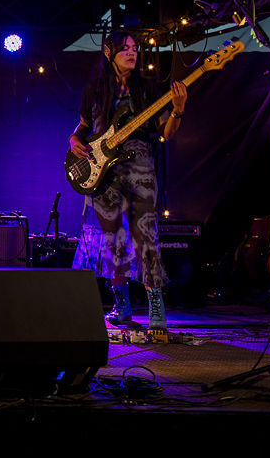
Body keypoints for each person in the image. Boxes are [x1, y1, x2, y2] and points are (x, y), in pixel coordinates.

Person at [68, 31, 187, 332]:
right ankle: (121, 305)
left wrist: (177, 109)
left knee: (145, 236)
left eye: (135, 49)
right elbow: (83, 126)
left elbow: (167, 133)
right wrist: (73, 140)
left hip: (140, 169)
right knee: (113, 241)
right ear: (109, 52)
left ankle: (156, 306)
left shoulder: (148, 89)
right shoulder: (95, 88)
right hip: (103, 172)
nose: (132, 54)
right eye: (125, 49)